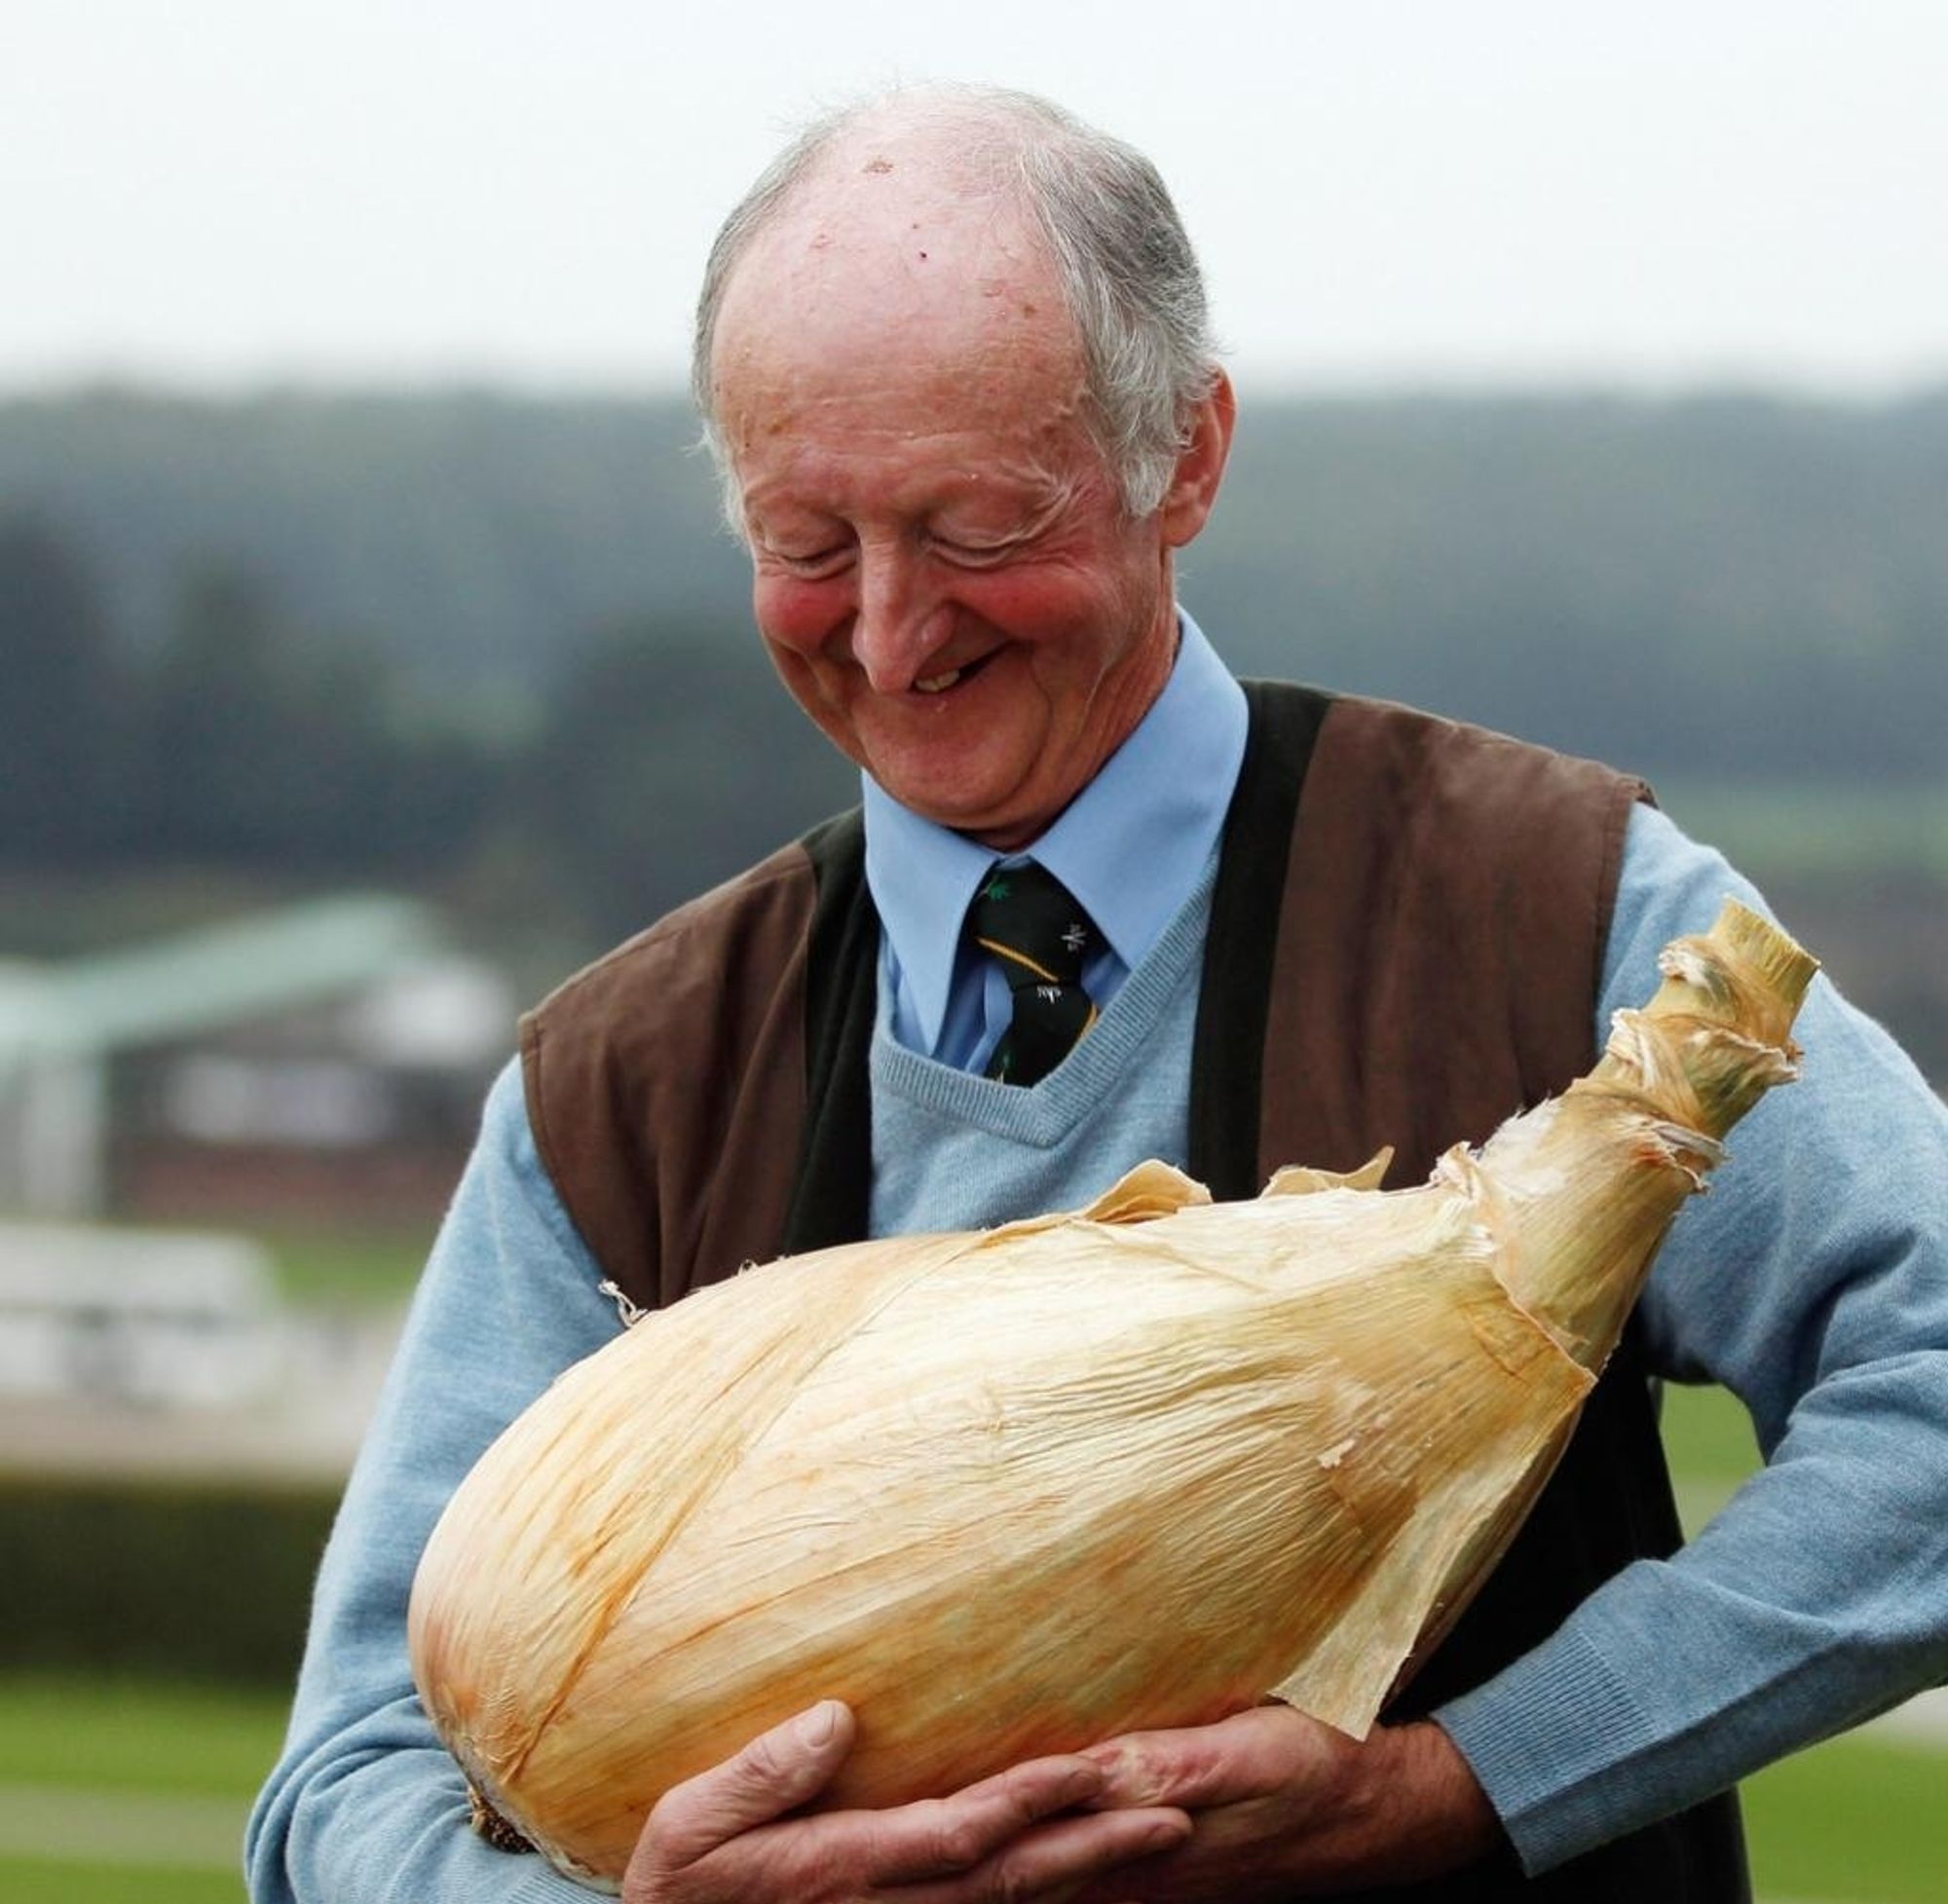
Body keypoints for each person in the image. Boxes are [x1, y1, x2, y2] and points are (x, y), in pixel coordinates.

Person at [246, 84, 1948, 1903]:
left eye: (978, 527)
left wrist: (1466, 1781)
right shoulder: (619, 1090)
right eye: (806, 545)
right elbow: (350, 1784)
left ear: (1187, 455)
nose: (895, 636)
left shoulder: (1560, 918)